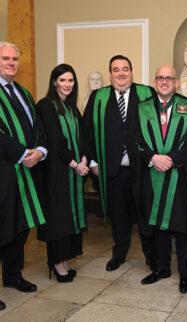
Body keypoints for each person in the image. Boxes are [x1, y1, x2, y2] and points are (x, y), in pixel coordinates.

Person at [83, 55, 155, 272]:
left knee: (145, 214)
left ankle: (151, 257)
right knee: (119, 215)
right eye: (116, 69)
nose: (121, 73)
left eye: (125, 69)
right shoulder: (98, 97)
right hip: (112, 169)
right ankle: (119, 253)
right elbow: (86, 131)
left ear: (132, 72)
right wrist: (93, 161)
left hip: (142, 168)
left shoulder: (147, 93)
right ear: (110, 73)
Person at [138, 65, 187, 294]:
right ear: (155, 81)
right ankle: (161, 268)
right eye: (160, 78)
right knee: (158, 226)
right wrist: (153, 157)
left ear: (176, 82)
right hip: (152, 174)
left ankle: (185, 274)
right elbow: (136, 139)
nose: (164, 81)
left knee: (183, 227)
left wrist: (171, 159)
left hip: (181, 178)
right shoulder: (142, 107)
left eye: (169, 78)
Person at [0, 42, 47, 308]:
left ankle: (13, 275)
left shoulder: (23, 92)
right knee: (2, 226)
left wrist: (39, 150)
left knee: (20, 225)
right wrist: (21, 153)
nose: (11, 63)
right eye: (5, 59)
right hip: (4, 170)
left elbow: (37, 126)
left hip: (27, 170)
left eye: (15, 59)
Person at [37, 64, 88, 282]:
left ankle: (64, 260)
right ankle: (56, 264)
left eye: (71, 80)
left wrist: (84, 158)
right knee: (58, 217)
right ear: (54, 82)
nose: (67, 84)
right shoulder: (46, 106)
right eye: (63, 80)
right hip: (57, 172)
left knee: (70, 217)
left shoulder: (71, 107)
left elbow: (81, 136)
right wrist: (75, 164)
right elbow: (56, 141)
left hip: (74, 170)